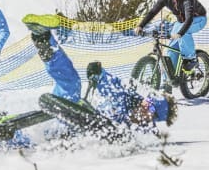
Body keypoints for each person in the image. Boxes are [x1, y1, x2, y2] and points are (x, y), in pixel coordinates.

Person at [22, 14, 177, 132]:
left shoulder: (142, 132)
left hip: (85, 131)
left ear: (154, 117)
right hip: (80, 116)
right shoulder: (127, 97)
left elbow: (127, 142)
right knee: (71, 83)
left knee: (69, 98)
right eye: (148, 102)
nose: (145, 107)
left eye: (150, 109)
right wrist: (99, 74)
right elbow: (111, 84)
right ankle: (42, 37)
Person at [135, 0, 207, 71]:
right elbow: (152, 12)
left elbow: (189, 19)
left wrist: (180, 33)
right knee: (171, 49)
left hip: (198, 19)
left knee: (184, 34)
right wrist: (141, 26)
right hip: (181, 22)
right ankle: (169, 80)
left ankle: (191, 59)